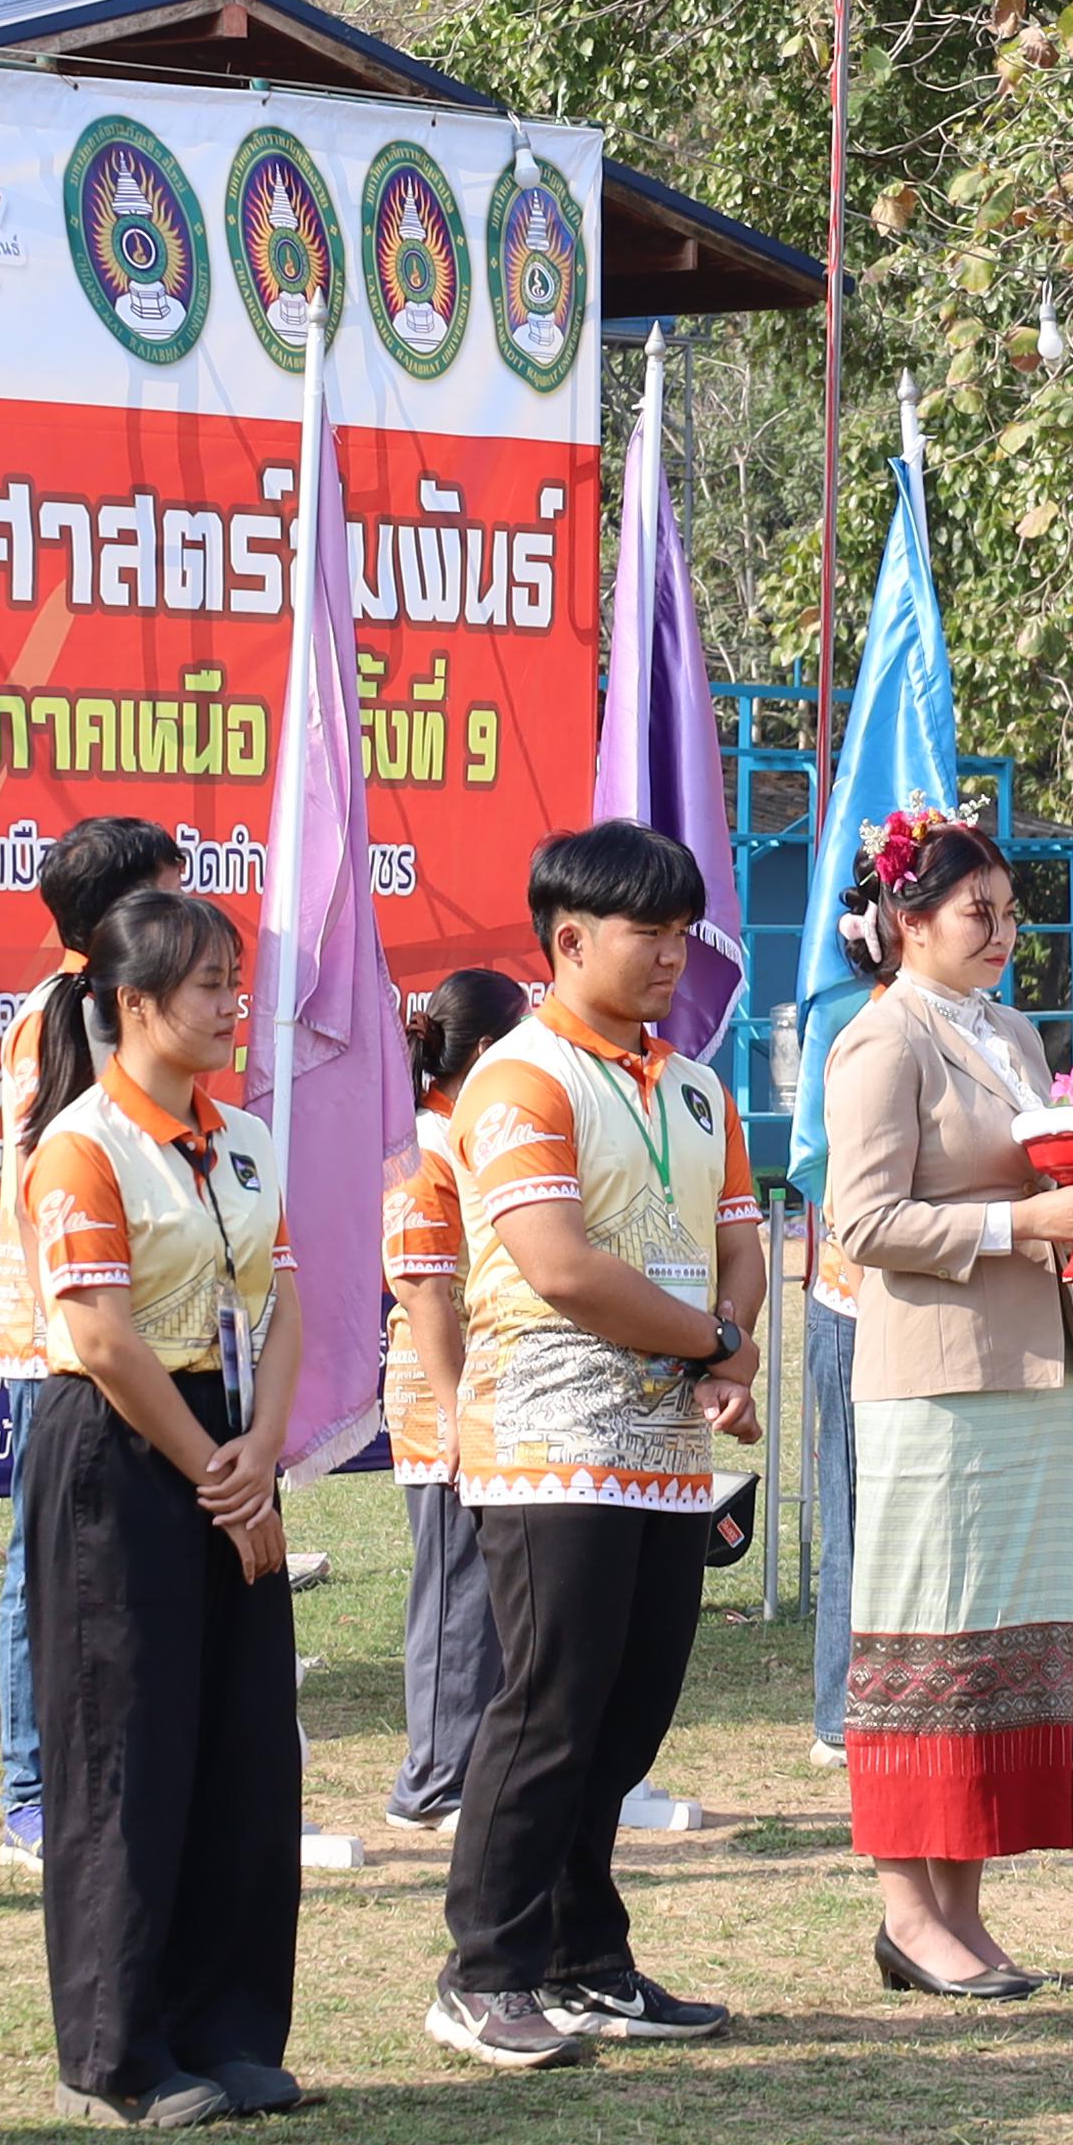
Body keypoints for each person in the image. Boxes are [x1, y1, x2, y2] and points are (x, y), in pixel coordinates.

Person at [433, 819, 766, 2069]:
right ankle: (486, 1969)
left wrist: (728, 1347)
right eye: (650, 929)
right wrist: (709, 1338)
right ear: (568, 939)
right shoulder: (519, 1077)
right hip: (549, 1440)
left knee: (625, 1718)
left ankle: (585, 1956)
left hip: (667, 1449)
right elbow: (559, 1265)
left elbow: (742, 1234)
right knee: (547, 1711)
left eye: (685, 929)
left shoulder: (692, 1082)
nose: (675, 951)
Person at [12, 886, 306, 2122]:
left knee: (243, 1743)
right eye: (208, 985)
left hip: (232, 1445)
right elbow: (104, 1335)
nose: (233, 1004)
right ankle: (120, 2052)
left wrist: (261, 1452)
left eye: (235, 979)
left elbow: (285, 1297)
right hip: (124, 1452)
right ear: (134, 1004)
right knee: (126, 1748)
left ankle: (229, 2026)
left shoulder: (239, 1135)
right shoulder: (80, 1145)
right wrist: (213, 1468)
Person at [817, 815, 1073, 1997]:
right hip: (931, 1378)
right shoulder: (880, 1041)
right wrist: (1017, 1224)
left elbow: (1053, 1164)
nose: (1001, 930)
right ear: (909, 922)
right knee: (923, 1644)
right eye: (975, 911)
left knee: (1001, 1646)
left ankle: (966, 1902)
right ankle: (907, 1905)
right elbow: (864, 1220)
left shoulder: (1013, 1033)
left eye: (1006, 908)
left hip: (1026, 1369)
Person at [0, 820, 190, 1852]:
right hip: (64, 1334)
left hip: (146, 1325)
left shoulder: (124, 1008)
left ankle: (104, 1767)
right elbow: (59, 1178)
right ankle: (33, 1784)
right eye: (164, 896)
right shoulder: (57, 1015)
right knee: (47, 1564)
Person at [380, 967, 530, 1832]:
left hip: (485, 1393)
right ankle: (434, 1781)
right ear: (484, 1052)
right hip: (446, 1400)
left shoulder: (463, 1136)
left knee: (490, 1589)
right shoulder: (423, 1148)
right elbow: (426, 1293)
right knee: (456, 1591)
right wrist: (457, 1412)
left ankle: (475, 1766)